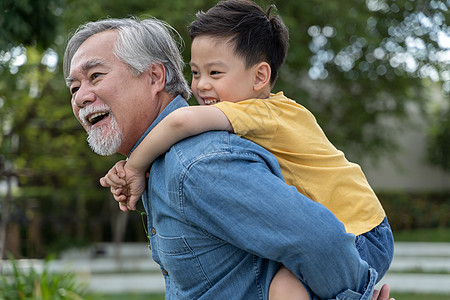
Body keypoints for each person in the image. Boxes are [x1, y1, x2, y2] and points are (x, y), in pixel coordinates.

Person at [64, 6, 392, 300]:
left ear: (154, 77)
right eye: (74, 87)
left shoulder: (196, 164)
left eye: (95, 76)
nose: (80, 97)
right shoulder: (172, 163)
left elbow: (321, 242)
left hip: (363, 228)